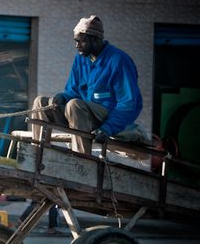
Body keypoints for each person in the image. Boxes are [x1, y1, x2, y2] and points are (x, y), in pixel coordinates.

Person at [31, 15, 143, 155]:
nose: (77, 45)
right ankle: (39, 154)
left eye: (81, 41)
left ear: (95, 40)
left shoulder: (118, 60)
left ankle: (82, 160)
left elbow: (128, 104)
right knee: (40, 102)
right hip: (81, 116)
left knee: (75, 105)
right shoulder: (80, 59)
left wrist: (107, 128)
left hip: (107, 117)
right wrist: (62, 97)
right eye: (76, 41)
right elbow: (73, 91)